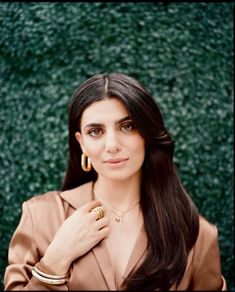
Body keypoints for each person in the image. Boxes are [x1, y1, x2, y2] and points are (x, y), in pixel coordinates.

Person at [4, 72, 226, 291]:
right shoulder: (40, 215)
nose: (112, 144)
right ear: (81, 143)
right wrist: (56, 260)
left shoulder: (197, 234)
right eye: (96, 131)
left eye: (127, 126)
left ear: (147, 134)